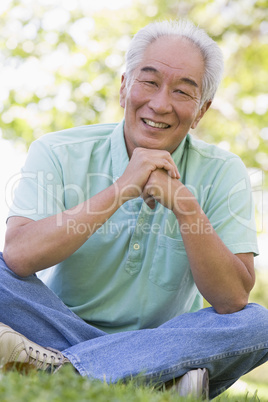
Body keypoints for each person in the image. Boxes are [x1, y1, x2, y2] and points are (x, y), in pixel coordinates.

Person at [0, 19, 267, 400]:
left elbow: (233, 300)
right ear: (124, 87)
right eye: (149, 81)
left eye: (183, 91)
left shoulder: (224, 171)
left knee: (258, 322)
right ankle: (155, 376)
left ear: (202, 110)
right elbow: (19, 257)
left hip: (163, 339)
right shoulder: (57, 150)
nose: (160, 103)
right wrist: (123, 188)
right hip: (56, 324)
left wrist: (186, 207)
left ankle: (59, 366)